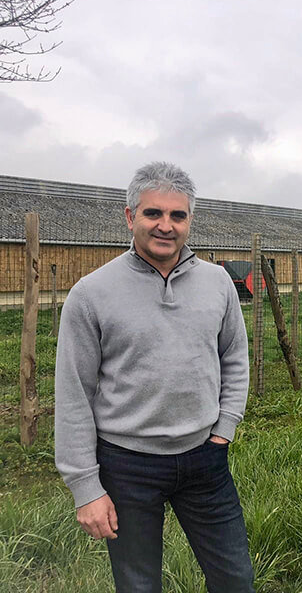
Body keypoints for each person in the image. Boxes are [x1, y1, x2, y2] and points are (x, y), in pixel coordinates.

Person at [55, 161, 254, 592]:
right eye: (153, 213)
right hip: (127, 465)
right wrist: (85, 486)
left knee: (235, 578)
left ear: (190, 221)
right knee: (139, 584)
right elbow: (73, 391)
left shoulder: (218, 283)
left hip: (205, 459)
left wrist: (225, 429)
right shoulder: (91, 293)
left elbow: (235, 358)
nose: (166, 225)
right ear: (130, 217)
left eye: (177, 215)